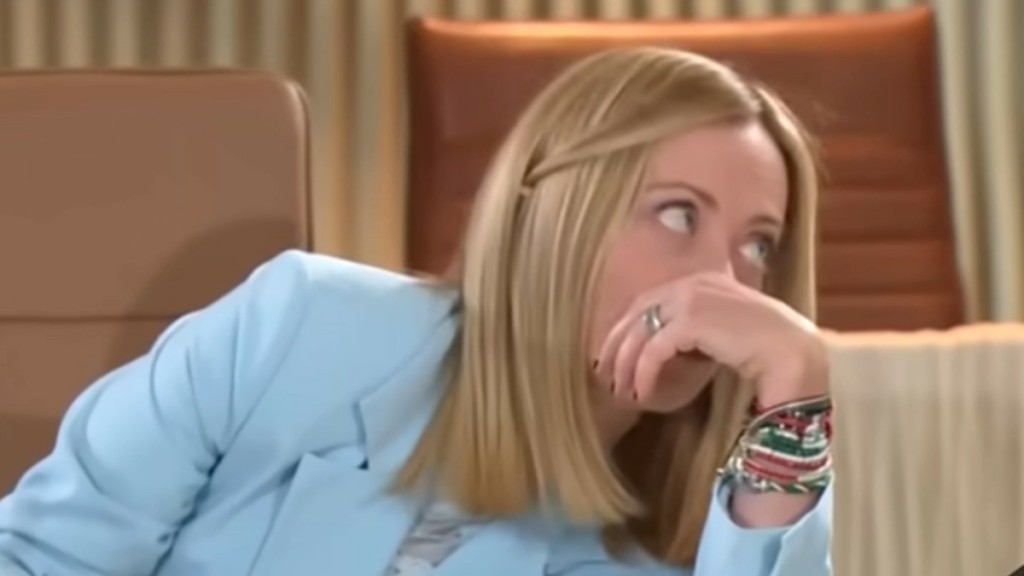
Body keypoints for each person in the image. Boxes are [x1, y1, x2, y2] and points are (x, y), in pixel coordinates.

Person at [0, 47, 832, 575]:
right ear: (549, 217)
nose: (724, 282)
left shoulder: (701, 539)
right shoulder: (301, 329)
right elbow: (41, 558)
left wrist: (798, 396)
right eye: (678, 214)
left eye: (759, 245)